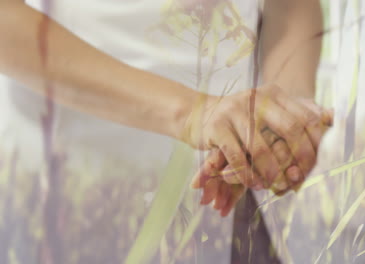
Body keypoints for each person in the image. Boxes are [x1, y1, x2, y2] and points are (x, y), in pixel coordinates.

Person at [0, 0, 328, 262]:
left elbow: (290, 7)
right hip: (71, 184)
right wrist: (191, 112)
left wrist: (284, 120)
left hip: (226, 182)